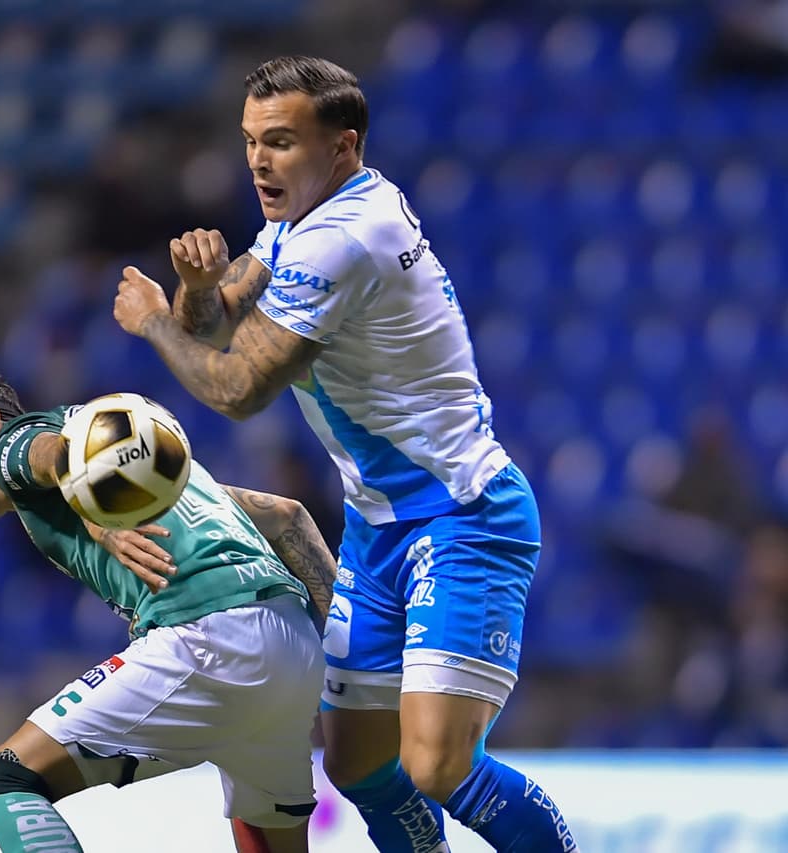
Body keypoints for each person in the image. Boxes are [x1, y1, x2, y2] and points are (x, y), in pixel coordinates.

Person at [111, 55, 579, 852]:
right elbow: (220, 315)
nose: (259, 159)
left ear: (343, 146)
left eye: (281, 141)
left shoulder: (347, 238)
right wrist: (193, 287)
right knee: (360, 762)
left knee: (435, 763)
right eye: (251, 140)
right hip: (379, 530)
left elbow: (237, 387)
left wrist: (156, 321)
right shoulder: (307, 214)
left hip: (462, 518)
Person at [0, 366, 339, 853]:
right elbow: (286, 516)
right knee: (264, 833)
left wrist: (101, 522)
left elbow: (56, 457)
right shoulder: (160, 466)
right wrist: (350, 658)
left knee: (5, 778)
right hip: (292, 644)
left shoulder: (13, 445)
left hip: (205, 634)